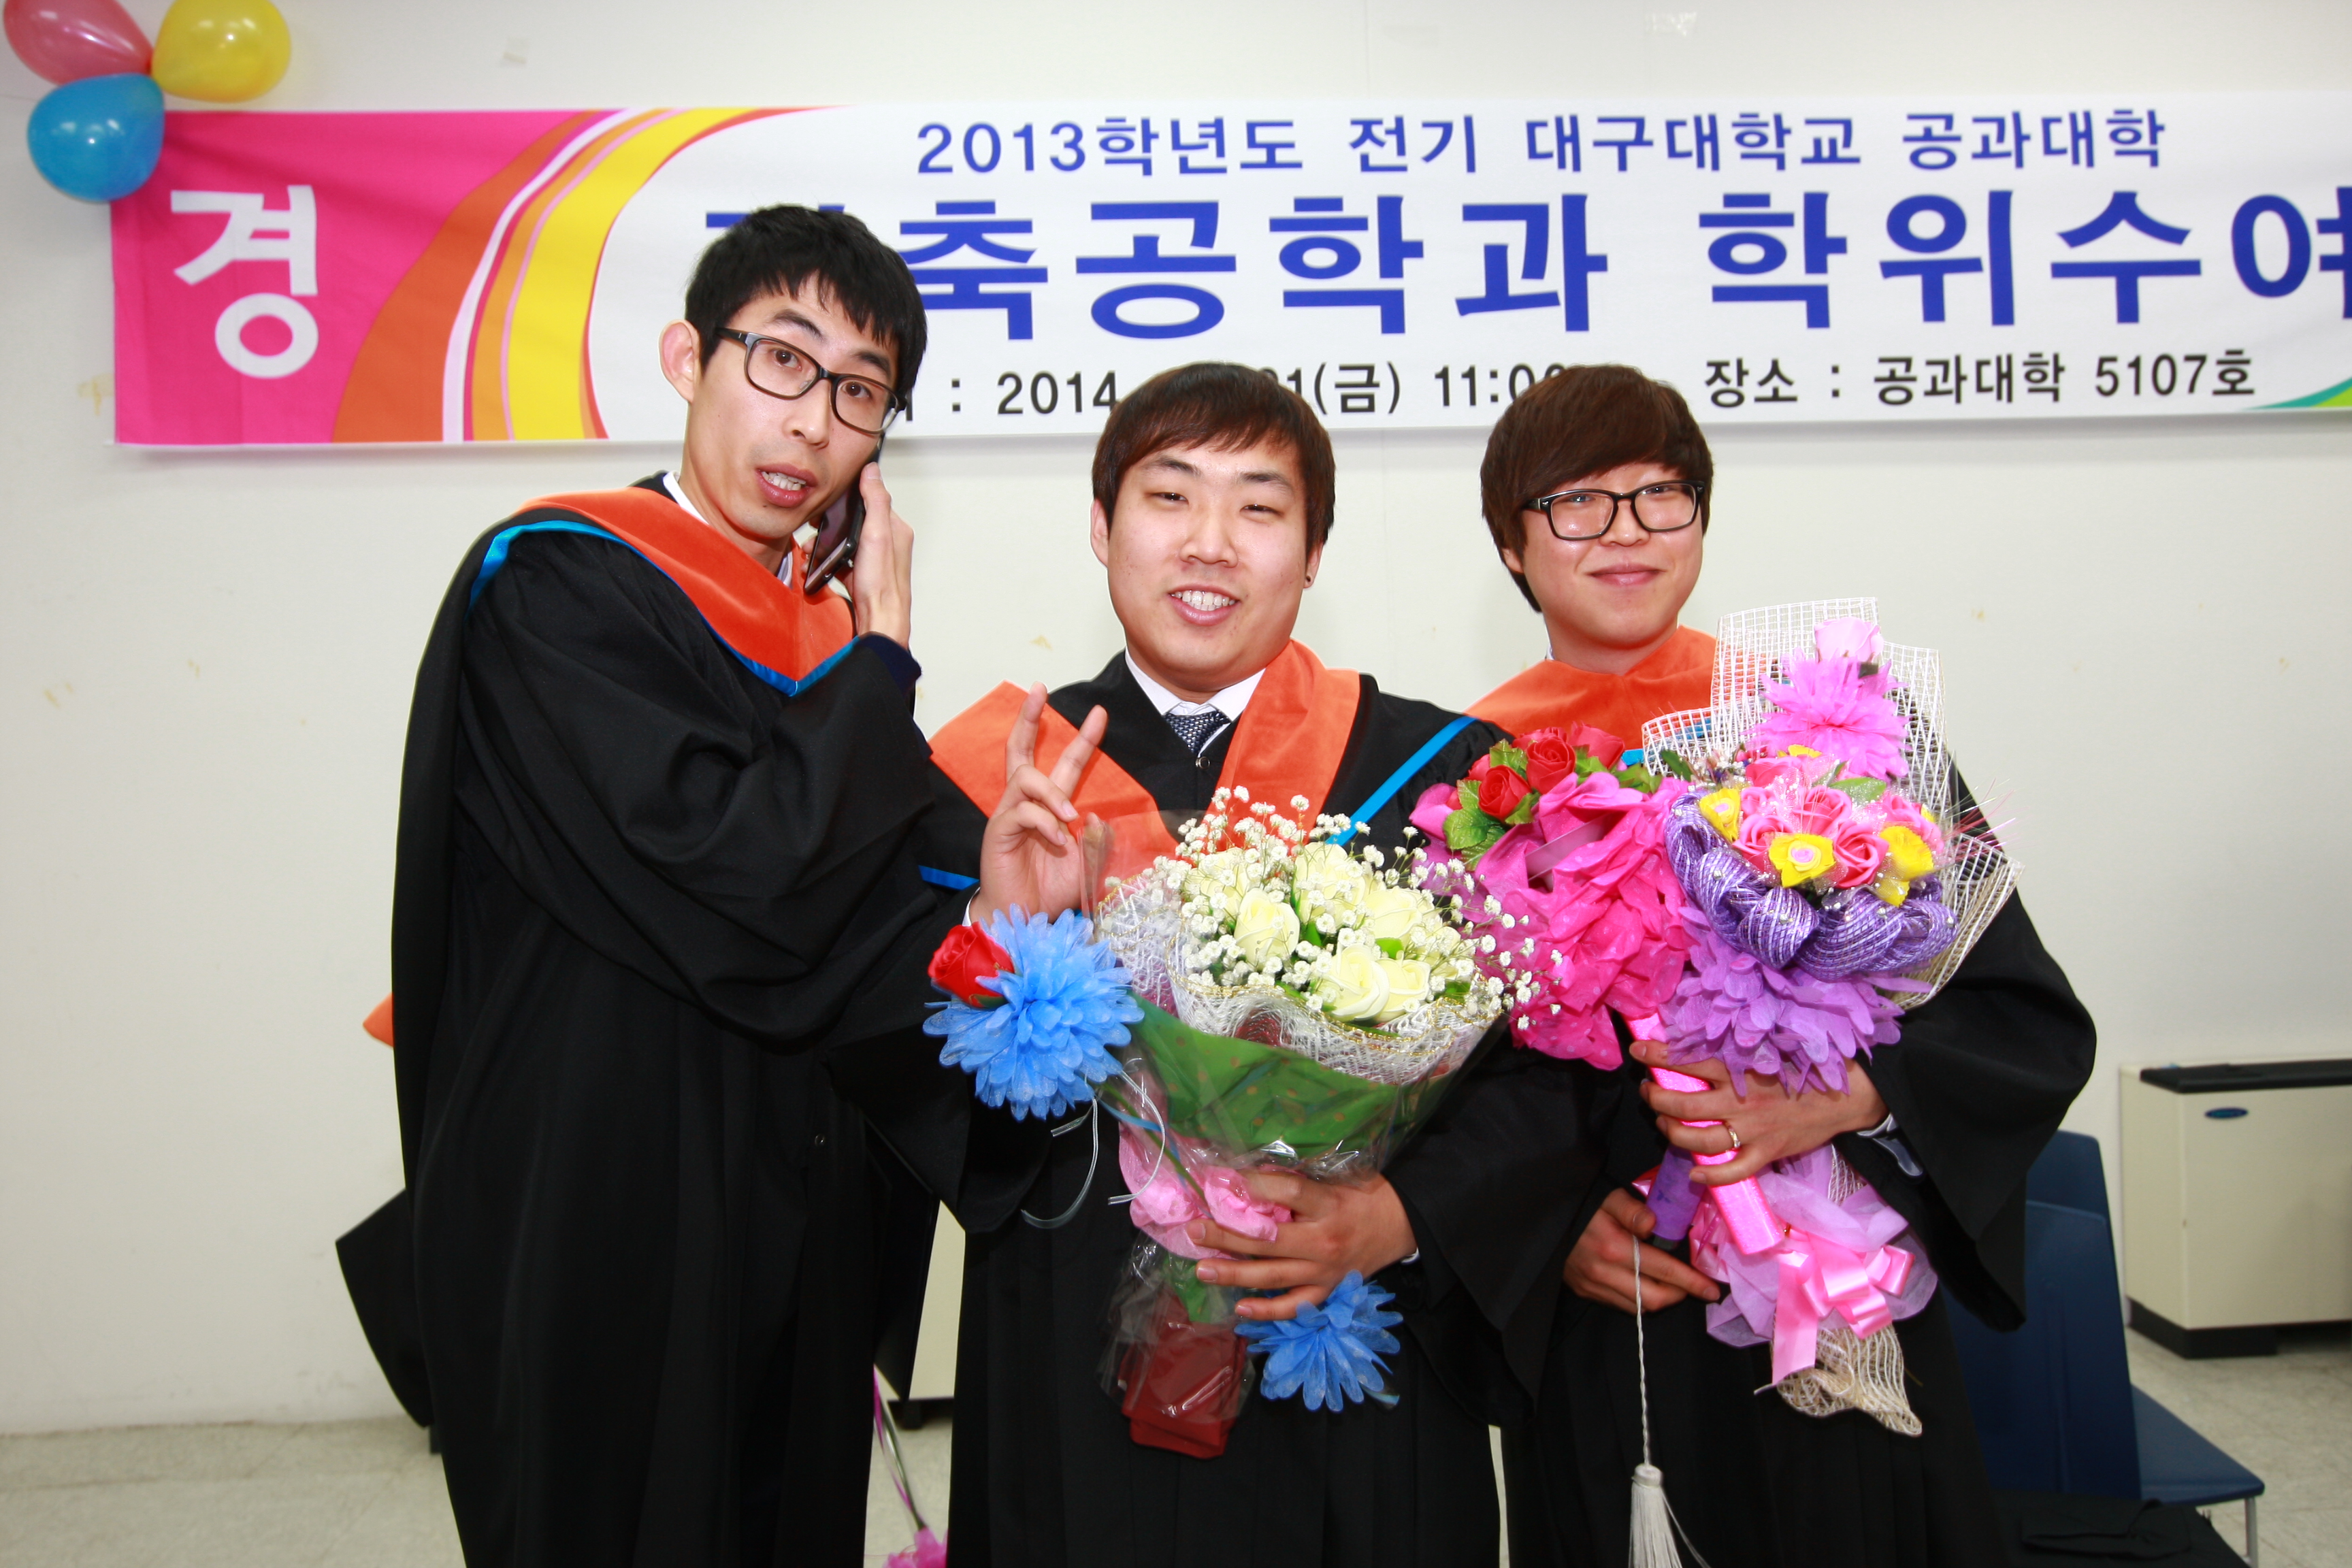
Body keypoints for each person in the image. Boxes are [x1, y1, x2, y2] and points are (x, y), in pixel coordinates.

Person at [336, 206, 1098, 1568]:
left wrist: (994, 908)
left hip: (796, 1210)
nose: (812, 422)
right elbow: (748, 875)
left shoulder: (817, 645)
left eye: (860, 392)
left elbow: (886, 922)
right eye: (783, 361)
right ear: (690, 358)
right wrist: (884, 651)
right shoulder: (559, 585)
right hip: (600, 1185)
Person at [919, 363, 1597, 1568]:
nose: (1210, 543)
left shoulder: (1447, 778)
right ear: (1102, 526)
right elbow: (901, 1087)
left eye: (1259, 507)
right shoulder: (996, 781)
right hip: (1072, 1349)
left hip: (1354, 1354)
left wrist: (1403, 1216)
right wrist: (997, 929)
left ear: (1315, 551)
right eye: (1170, 496)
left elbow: (1558, 1069)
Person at [1470, 365, 2097, 1567]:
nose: (1626, 532)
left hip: (1843, 1281)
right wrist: (1548, 1229)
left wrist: (1846, 1099)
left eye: (1660, 494)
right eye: (1579, 502)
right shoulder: (1472, 771)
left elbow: (2018, 1015)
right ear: (1513, 543)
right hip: (1623, 1315)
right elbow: (1451, 1091)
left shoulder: (1832, 731)